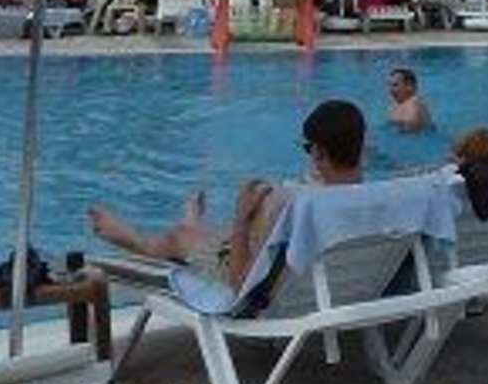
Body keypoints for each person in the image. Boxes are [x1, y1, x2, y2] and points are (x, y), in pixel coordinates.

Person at [87, 99, 366, 288]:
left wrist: (241, 217)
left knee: (178, 238)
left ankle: (137, 240)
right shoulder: (374, 199)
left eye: (308, 148)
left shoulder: (292, 204)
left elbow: (240, 284)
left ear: (318, 153)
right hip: (331, 292)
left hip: (268, 296)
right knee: (224, 237)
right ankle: (194, 226)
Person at [386, 66, 432, 132]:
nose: (390, 89)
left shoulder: (413, 106)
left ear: (409, 86)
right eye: (389, 85)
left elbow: (412, 133)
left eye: (395, 85)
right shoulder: (400, 106)